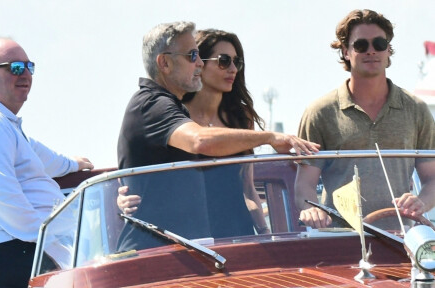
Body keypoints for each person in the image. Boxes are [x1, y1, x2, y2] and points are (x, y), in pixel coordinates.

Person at [116, 21, 318, 249]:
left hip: (194, 252)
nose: (200, 63)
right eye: (192, 55)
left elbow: (244, 188)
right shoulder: (152, 104)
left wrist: (264, 234)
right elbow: (199, 141)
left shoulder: (171, 107)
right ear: (164, 63)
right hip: (153, 258)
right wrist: (270, 137)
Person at [0, 37, 93, 288]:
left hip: (14, 247)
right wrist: (47, 235)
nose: (25, 74)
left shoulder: (1, 122)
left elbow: (36, 154)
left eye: (29, 67)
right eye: (14, 67)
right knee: (95, 285)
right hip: (3, 251)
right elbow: (2, 196)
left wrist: (72, 164)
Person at [295, 9, 435, 229]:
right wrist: (311, 209)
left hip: (401, 241)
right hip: (338, 240)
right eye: (361, 45)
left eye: (379, 44)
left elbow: (432, 179)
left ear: (388, 50)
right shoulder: (319, 112)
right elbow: (304, 186)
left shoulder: (416, 110)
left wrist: (422, 202)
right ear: (346, 52)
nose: (371, 51)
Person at [183, 28, 270, 236]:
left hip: (238, 232)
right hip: (191, 236)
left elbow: (248, 188)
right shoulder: (174, 115)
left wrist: (265, 233)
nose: (232, 69)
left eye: (236, 62)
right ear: (199, 64)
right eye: (223, 61)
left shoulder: (241, 117)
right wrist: (122, 198)